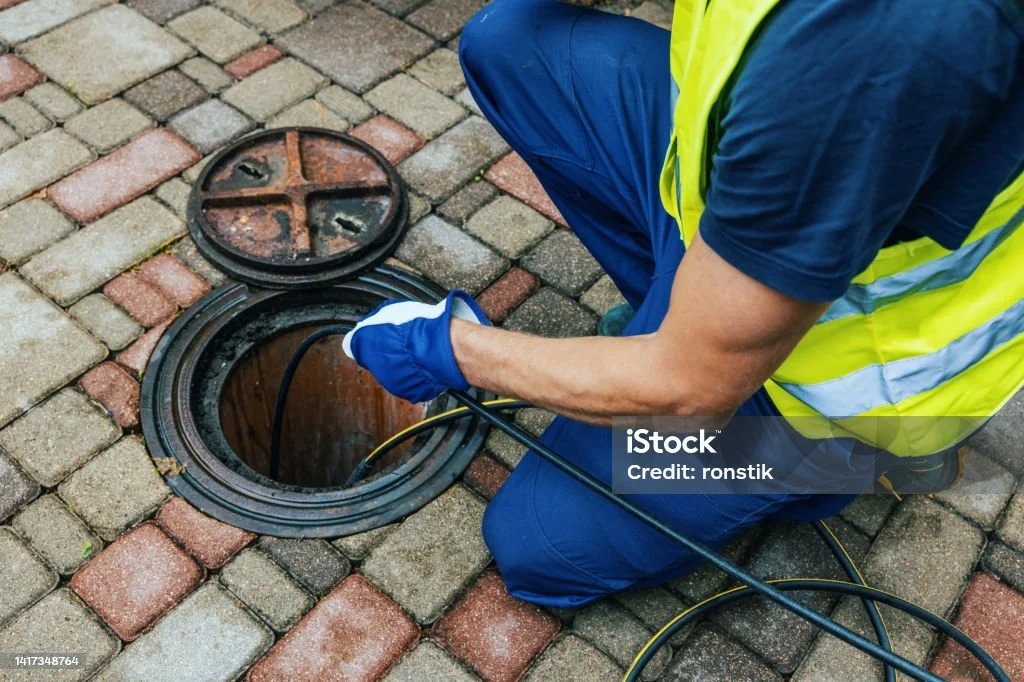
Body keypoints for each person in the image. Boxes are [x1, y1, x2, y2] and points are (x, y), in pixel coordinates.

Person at [343, 0, 1024, 608]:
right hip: (748, 211)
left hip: (834, 396)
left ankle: (808, 474)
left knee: (538, 545)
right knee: (512, 39)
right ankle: (691, 317)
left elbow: (687, 393)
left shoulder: (874, 39)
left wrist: (448, 347)